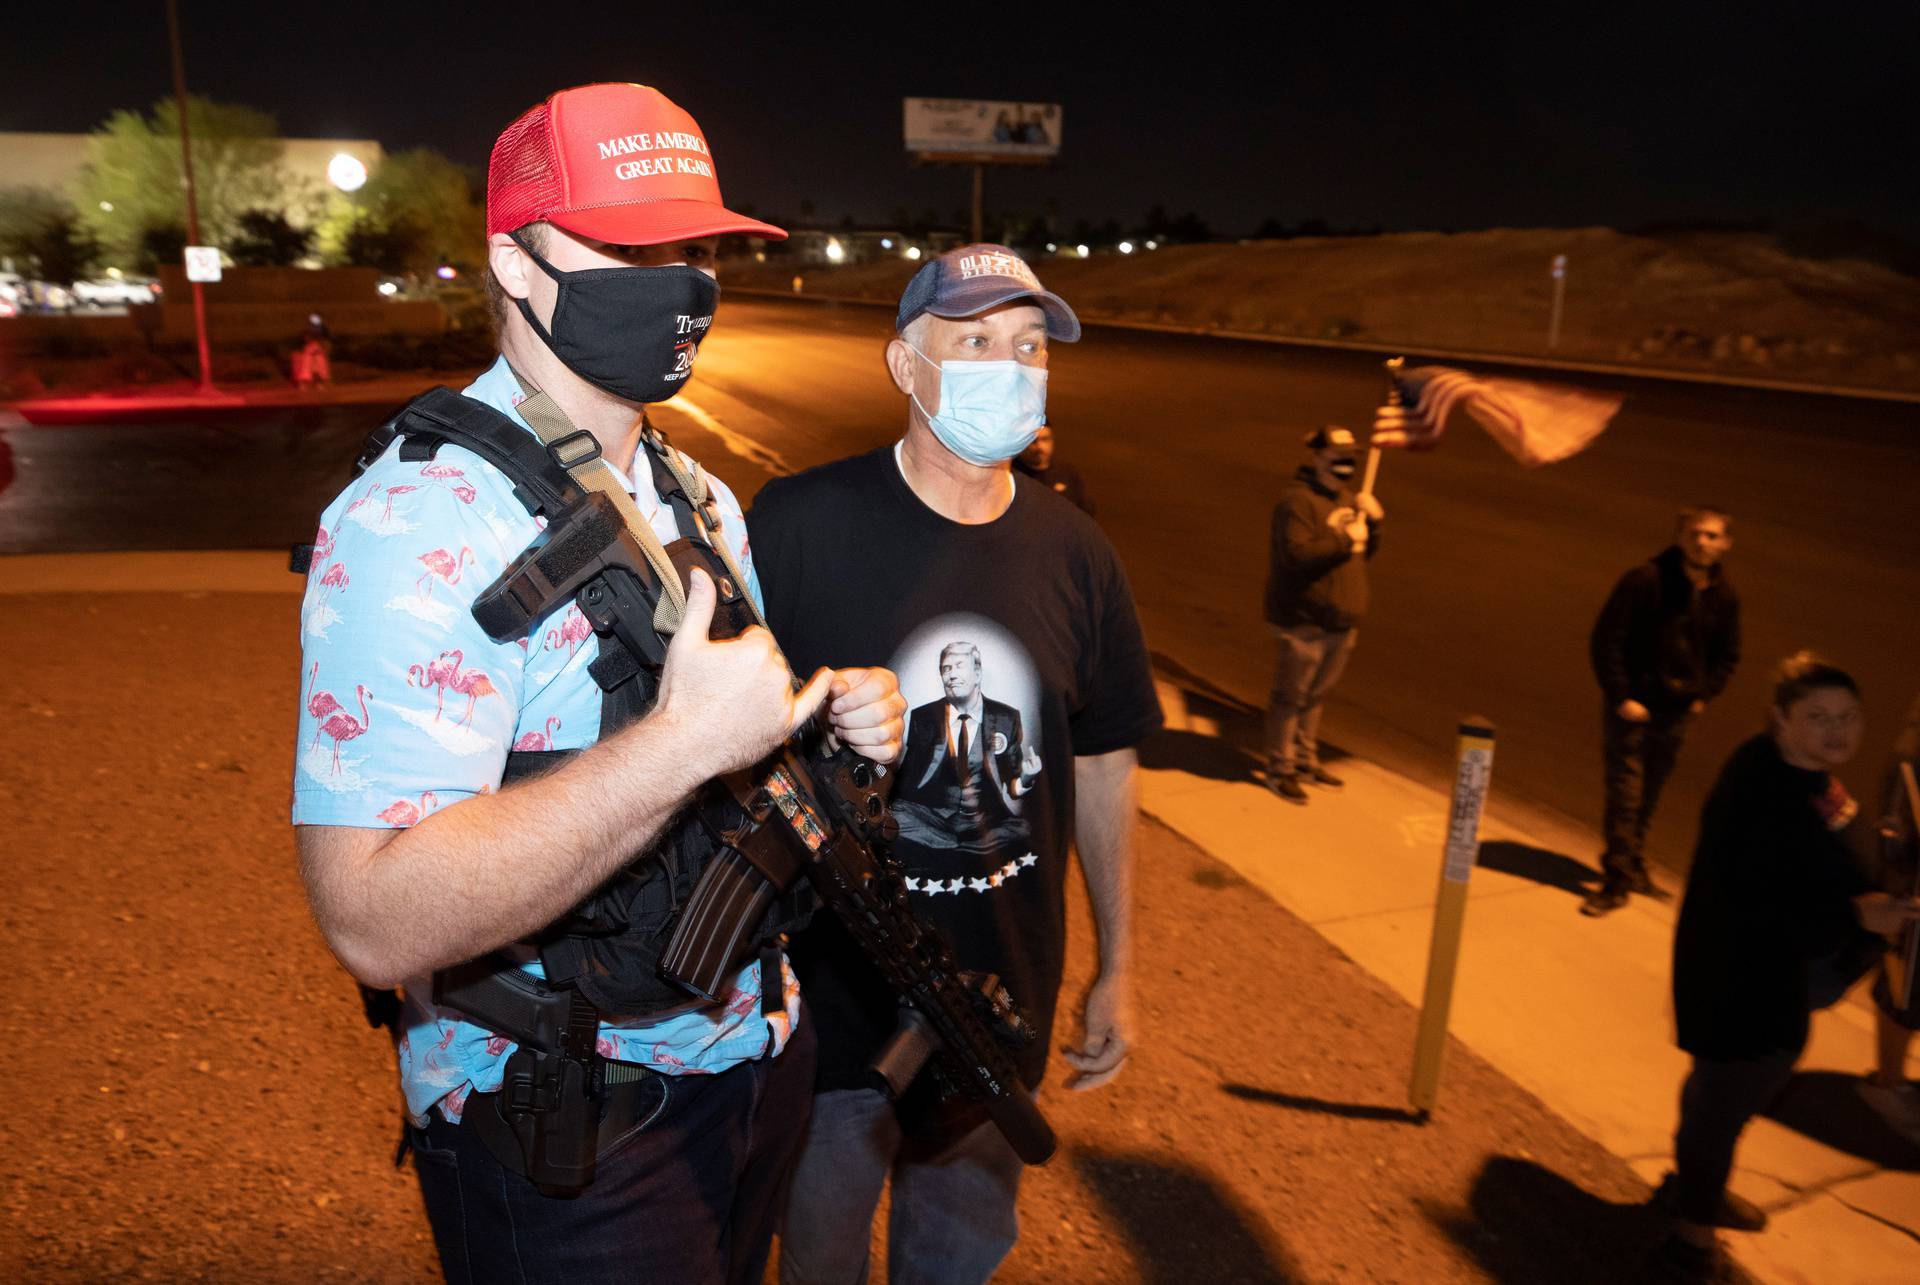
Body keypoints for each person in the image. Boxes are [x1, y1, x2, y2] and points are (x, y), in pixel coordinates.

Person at [291, 82, 905, 1285]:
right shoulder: (414, 524)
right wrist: (678, 746)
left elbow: (718, 748)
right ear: (514, 264)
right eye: (629, 246)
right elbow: (366, 917)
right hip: (572, 1123)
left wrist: (823, 730)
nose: (676, 281)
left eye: (690, 245)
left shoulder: (698, 494)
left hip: (755, 1057)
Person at [748, 243, 1162, 1285]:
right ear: (904, 364)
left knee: (957, 1261)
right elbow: (713, 743)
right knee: (819, 1257)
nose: (1009, 366)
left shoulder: (1077, 552)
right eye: (972, 341)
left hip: (997, 1003)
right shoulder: (797, 527)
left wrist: (1119, 961)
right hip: (833, 1003)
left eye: (1029, 345)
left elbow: (1107, 761)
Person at [1658, 654, 1920, 1274]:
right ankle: (1688, 1242)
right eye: (1818, 716)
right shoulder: (1766, 795)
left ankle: (1693, 1185)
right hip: (1745, 983)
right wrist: (1858, 918)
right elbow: (1760, 908)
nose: (1837, 730)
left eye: (1848, 716)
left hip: (1760, 974)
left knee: (1715, 1096)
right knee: (1729, 1098)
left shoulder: (1797, 772)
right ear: (1780, 719)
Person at [1583, 506, 1741, 917]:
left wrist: (1704, 694)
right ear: (1680, 538)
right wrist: (1621, 697)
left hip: (1677, 712)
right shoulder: (1645, 581)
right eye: (1695, 534)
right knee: (1626, 796)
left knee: (1649, 795)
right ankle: (1615, 880)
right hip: (1634, 708)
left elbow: (1728, 653)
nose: (1702, 543)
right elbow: (1607, 640)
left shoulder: (1723, 596)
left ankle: (1632, 862)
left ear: (1726, 544)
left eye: (1711, 536)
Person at [1261, 425, 1382, 804]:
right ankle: (1280, 769)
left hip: (1341, 621)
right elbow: (1295, 556)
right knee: (1291, 698)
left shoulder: (1348, 500)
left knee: (1315, 697)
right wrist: (1346, 537)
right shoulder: (1296, 503)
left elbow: (1361, 554)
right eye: (1337, 457)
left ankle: (1305, 761)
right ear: (1317, 458)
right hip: (1305, 620)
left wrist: (1374, 525)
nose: (1345, 464)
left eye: (1350, 458)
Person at [1860, 691, 1920, 1144]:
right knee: (1904, 995)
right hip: (1914, 904)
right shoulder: (1910, 766)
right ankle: (1887, 1084)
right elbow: (1893, 843)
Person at [1013, 422, 1094, 515]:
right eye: (1033, 441)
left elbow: (1086, 511)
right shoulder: (1011, 475)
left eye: (1045, 439)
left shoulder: (1066, 472)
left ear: (1052, 440)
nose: (1040, 447)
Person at [293, 311, 333, 390]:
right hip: (309, 352)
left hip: (319, 352)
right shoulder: (307, 329)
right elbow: (303, 339)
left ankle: (319, 384)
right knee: (305, 369)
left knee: (320, 369)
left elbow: (326, 339)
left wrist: (323, 347)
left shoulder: (323, 329)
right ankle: (304, 384)